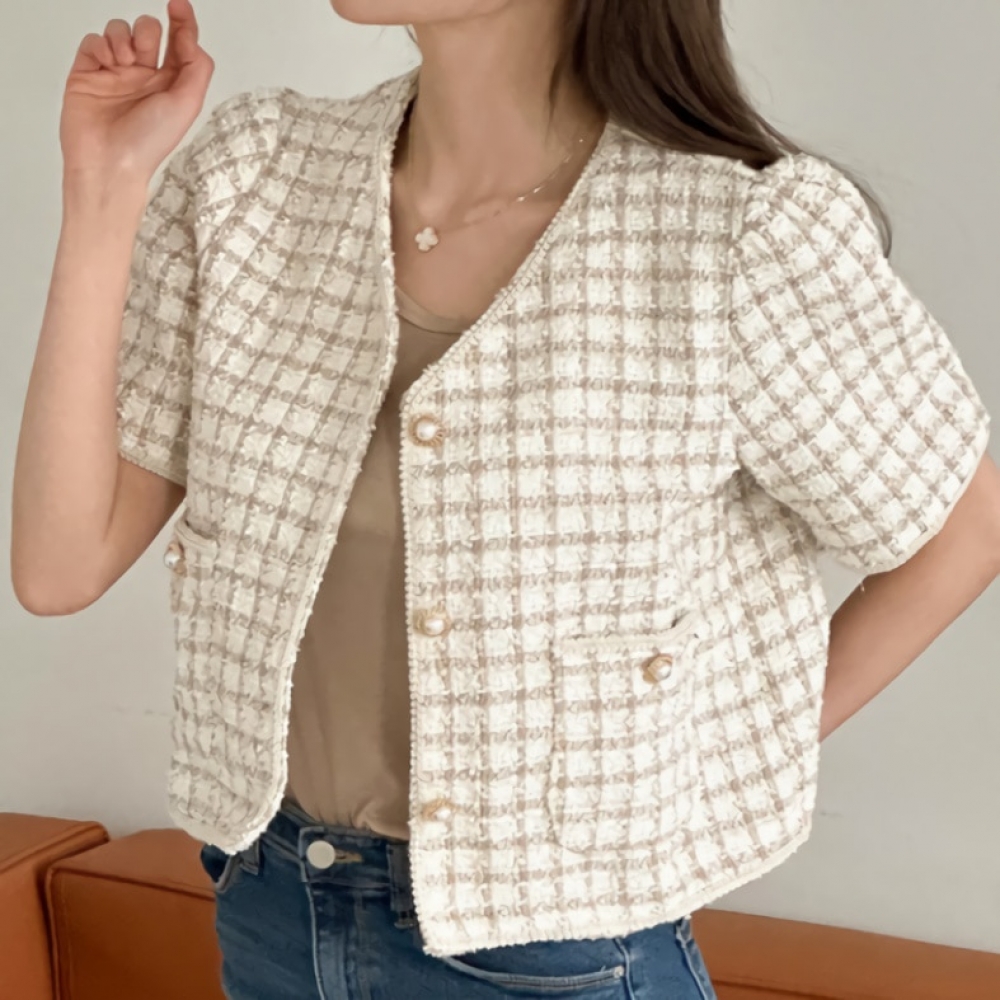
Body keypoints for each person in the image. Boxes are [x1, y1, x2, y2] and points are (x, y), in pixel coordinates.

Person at [11, 0, 999, 996]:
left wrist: (727, 747)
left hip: (556, 954)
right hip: (273, 907)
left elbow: (963, 526)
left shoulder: (733, 233)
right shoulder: (255, 181)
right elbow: (59, 567)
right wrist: (104, 188)